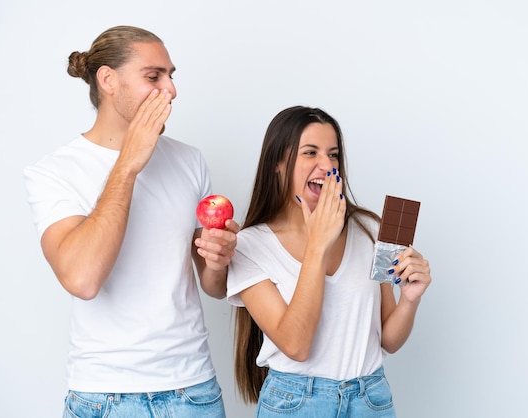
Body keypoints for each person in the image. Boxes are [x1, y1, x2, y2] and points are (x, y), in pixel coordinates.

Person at [23, 26, 238, 418]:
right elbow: (82, 279)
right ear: (108, 80)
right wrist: (128, 164)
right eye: (154, 76)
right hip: (105, 397)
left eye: (171, 76)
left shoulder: (190, 160)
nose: (170, 90)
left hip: (194, 391)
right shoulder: (54, 171)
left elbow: (214, 286)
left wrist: (219, 260)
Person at [226, 106, 432, 417]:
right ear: (278, 163)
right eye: (310, 153)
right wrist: (317, 245)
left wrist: (410, 301)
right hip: (296, 403)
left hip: (370, 399)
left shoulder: (369, 230)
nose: (326, 165)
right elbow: (296, 345)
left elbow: (387, 340)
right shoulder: (249, 246)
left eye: (333, 155)